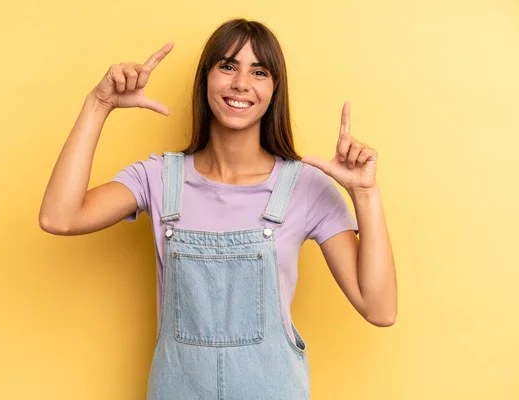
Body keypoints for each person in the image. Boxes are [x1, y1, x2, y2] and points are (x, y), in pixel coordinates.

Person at [39, 18, 397, 400]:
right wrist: (99, 104)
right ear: (205, 79)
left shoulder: (306, 188)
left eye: (259, 72)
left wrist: (366, 193)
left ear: (275, 90)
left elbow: (380, 309)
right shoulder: (159, 177)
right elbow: (59, 217)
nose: (241, 83)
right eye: (227, 66)